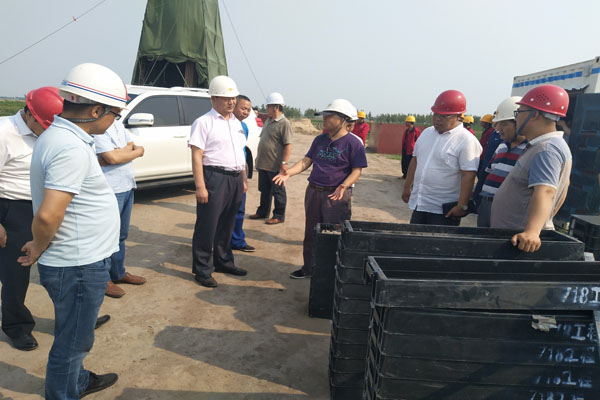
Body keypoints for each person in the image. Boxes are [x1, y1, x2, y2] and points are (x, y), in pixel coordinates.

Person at [19, 63, 125, 399]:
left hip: (77, 261)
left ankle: (76, 381)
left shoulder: (61, 136)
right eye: (115, 114)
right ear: (95, 110)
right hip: (78, 266)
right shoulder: (69, 147)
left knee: (73, 333)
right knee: (73, 342)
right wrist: (38, 245)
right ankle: (63, 392)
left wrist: (39, 243)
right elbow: (48, 215)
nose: (114, 122)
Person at [273, 99, 367, 279]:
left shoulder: (354, 143)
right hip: (314, 192)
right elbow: (306, 161)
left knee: (335, 233)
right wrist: (288, 173)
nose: (324, 119)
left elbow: (357, 170)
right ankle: (308, 267)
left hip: (336, 195)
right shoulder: (319, 140)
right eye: (324, 115)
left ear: (343, 120)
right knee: (312, 232)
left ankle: (332, 271)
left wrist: (344, 185)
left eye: (329, 116)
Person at [0, 87, 63, 351]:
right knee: (16, 271)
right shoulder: (4, 133)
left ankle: (73, 317)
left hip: (44, 206)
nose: (48, 132)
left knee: (61, 264)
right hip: (12, 208)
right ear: (29, 114)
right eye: (45, 126)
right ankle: (16, 326)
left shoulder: (49, 133)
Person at [491, 84, 572, 252]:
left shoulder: (546, 149)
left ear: (534, 114)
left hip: (519, 244)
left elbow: (546, 191)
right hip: (513, 237)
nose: (517, 119)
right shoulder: (544, 146)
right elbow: (564, 188)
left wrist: (532, 231)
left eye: (519, 113)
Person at [189, 75, 248, 288]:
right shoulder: (203, 122)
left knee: (227, 223)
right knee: (208, 224)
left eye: (233, 98)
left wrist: (243, 179)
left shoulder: (236, 123)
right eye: (226, 98)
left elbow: (240, 153)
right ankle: (202, 269)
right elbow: (197, 156)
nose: (231, 102)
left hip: (235, 178)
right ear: (213, 99)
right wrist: (200, 186)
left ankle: (223, 261)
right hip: (214, 177)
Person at [402, 90, 481, 225]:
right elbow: (415, 161)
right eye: (435, 114)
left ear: (458, 116)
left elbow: (468, 175)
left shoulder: (466, 141)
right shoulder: (427, 133)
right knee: (414, 237)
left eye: (444, 116)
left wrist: (462, 206)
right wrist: (407, 187)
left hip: (444, 211)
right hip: (420, 204)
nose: (437, 119)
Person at [95, 120, 147, 298]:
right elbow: (112, 158)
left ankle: (118, 273)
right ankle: (102, 279)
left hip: (126, 185)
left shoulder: (117, 124)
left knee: (121, 235)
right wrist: (130, 152)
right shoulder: (98, 125)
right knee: (105, 237)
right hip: (109, 188)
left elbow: (133, 147)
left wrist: (127, 151)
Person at [477, 97, 527, 227]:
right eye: (497, 124)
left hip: (507, 209)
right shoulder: (502, 146)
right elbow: (489, 172)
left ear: (519, 123)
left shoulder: (529, 150)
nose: (498, 129)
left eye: (504, 124)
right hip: (486, 204)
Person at [249, 92, 292, 225]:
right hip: (263, 163)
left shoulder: (284, 123)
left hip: (275, 165)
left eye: (268, 106)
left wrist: (284, 163)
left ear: (276, 107)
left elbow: (288, 144)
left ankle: (278, 215)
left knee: (278, 192)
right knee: (264, 190)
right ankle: (263, 212)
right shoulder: (268, 120)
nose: (266, 108)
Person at [230, 95, 256, 252]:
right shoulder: (225, 124)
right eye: (243, 108)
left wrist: (244, 178)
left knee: (239, 209)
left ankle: (237, 241)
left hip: (240, 173)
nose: (246, 112)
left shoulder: (244, 127)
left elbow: (242, 152)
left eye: (248, 110)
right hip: (225, 174)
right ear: (234, 106)